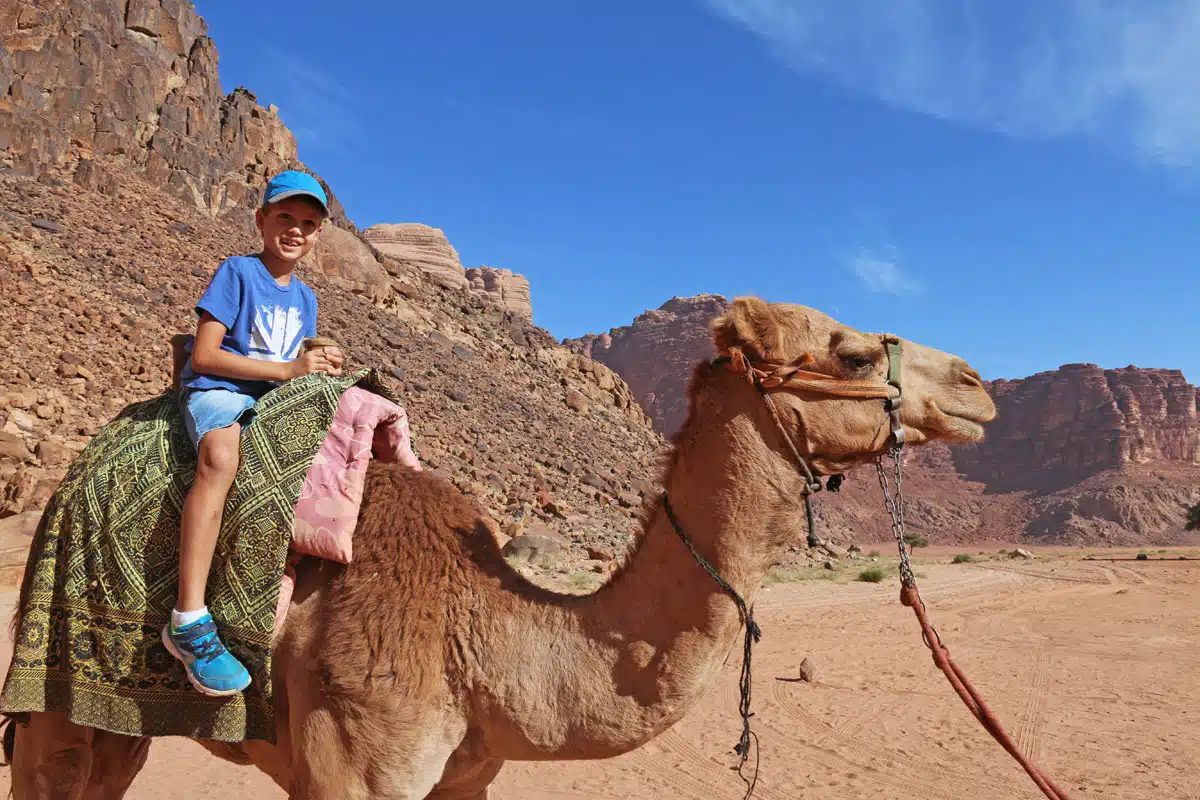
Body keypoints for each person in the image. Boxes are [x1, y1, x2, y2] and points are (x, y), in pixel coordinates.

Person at [164, 170, 344, 696]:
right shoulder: (237, 273)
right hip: (220, 389)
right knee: (221, 456)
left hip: (269, 394)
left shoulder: (306, 298)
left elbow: (293, 360)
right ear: (261, 219)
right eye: (285, 217)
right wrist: (288, 372)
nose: (295, 230)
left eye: (308, 223)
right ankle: (189, 619)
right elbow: (204, 355)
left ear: (317, 236)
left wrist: (316, 362)